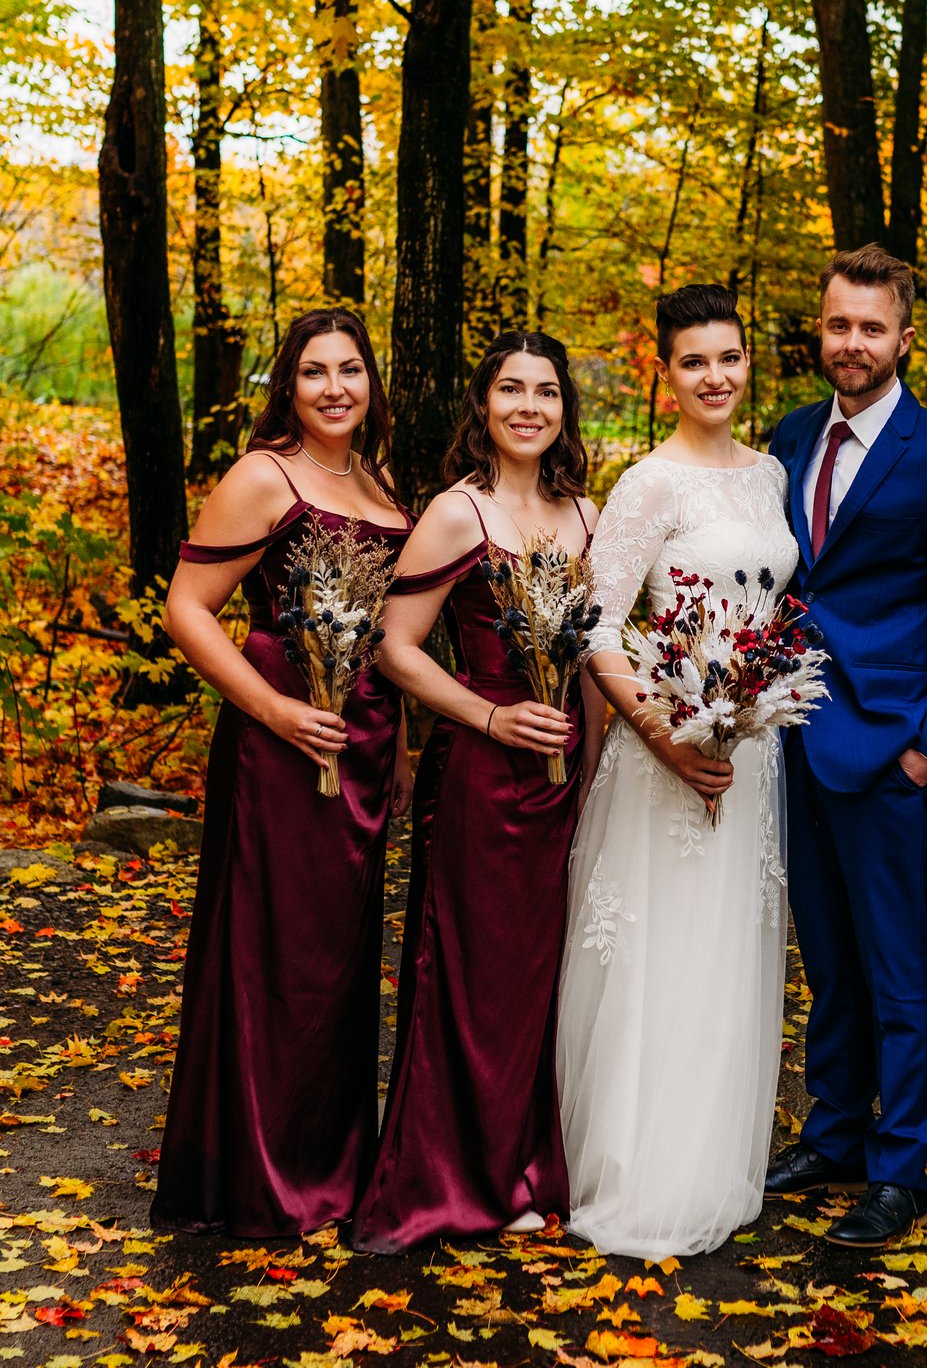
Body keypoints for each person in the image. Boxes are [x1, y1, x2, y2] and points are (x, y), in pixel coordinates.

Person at [763, 244, 927, 1249]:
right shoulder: (784, 439)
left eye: (871, 327)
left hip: (892, 747)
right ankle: (836, 1129)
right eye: (838, 324)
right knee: (826, 954)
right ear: (819, 330)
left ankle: (900, 1160)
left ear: (904, 336)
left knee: (898, 966)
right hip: (793, 741)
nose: (852, 343)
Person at [154, 308, 412, 1239]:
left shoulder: (377, 480)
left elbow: (393, 636)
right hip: (283, 738)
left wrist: (406, 743)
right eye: (315, 373)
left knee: (342, 964)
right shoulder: (263, 475)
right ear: (288, 385)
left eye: (351, 369)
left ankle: (332, 1166)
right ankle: (267, 1178)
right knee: (279, 957)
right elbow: (187, 606)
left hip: (369, 745)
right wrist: (269, 708)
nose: (336, 388)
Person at [557, 284, 795, 1259]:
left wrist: (744, 708)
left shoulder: (773, 474)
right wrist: (665, 732)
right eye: (694, 360)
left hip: (750, 745)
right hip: (665, 746)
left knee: (725, 956)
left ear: (748, 362)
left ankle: (712, 1159)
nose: (714, 376)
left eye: (728, 357)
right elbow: (592, 621)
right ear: (667, 370)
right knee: (662, 957)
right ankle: (643, 1170)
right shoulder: (648, 482)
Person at [354, 332, 605, 1252]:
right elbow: (394, 643)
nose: (529, 406)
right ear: (484, 405)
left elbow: (591, 657)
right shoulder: (457, 513)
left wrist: (596, 763)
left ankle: (526, 1172)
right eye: (511, 390)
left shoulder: (583, 515)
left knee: (543, 983)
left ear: (564, 408)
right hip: (482, 781)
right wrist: (491, 720)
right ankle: (449, 1181)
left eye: (546, 390)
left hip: (561, 781)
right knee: (470, 979)